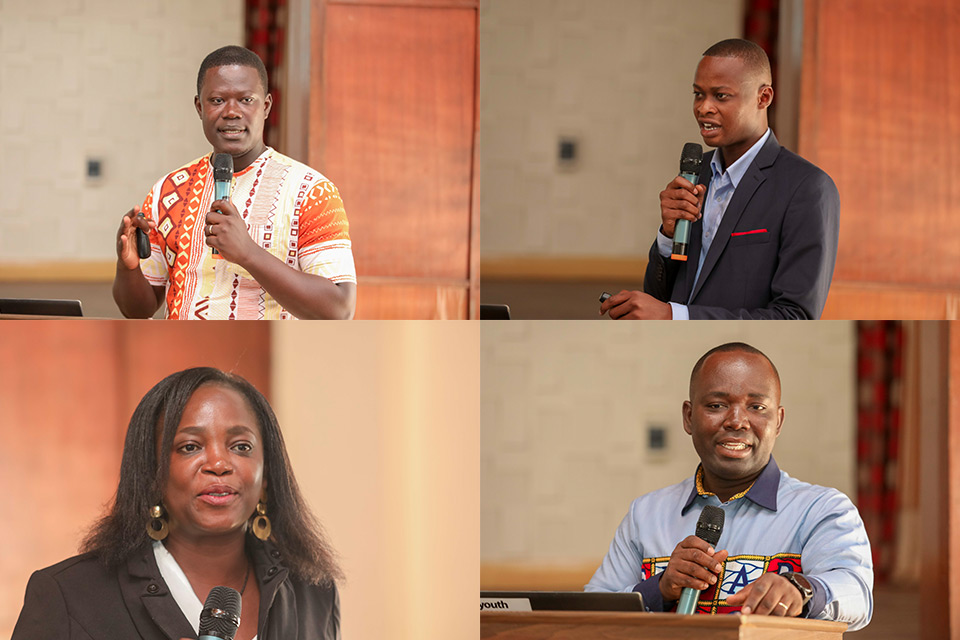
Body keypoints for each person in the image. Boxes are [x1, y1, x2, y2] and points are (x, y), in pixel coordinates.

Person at [12, 367, 341, 639]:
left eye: (241, 447)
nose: (218, 463)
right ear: (152, 474)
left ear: (266, 473)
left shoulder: (313, 592)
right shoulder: (68, 596)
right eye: (190, 447)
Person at [585, 343, 873, 631]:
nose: (737, 421)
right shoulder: (646, 513)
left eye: (757, 407)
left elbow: (857, 595)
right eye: (716, 405)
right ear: (688, 417)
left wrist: (801, 589)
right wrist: (660, 588)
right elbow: (589, 612)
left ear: (778, 421)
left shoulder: (821, 509)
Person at [600, 39, 839, 320]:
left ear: (764, 98)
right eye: (698, 94)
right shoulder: (695, 173)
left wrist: (676, 316)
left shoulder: (807, 188)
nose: (703, 108)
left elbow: (795, 316)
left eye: (720, 96)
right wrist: (667, 236)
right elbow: (660, 298)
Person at [113, 46, 356, 320]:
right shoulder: (167, 190)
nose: (231, 112)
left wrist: (248, 253)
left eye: (246, 100)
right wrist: (128, 267)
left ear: (265, 107)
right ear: (199, 107)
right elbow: (138, 310)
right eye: (217, 100)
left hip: (262, 359)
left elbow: (339, 309)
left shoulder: (311, 191)